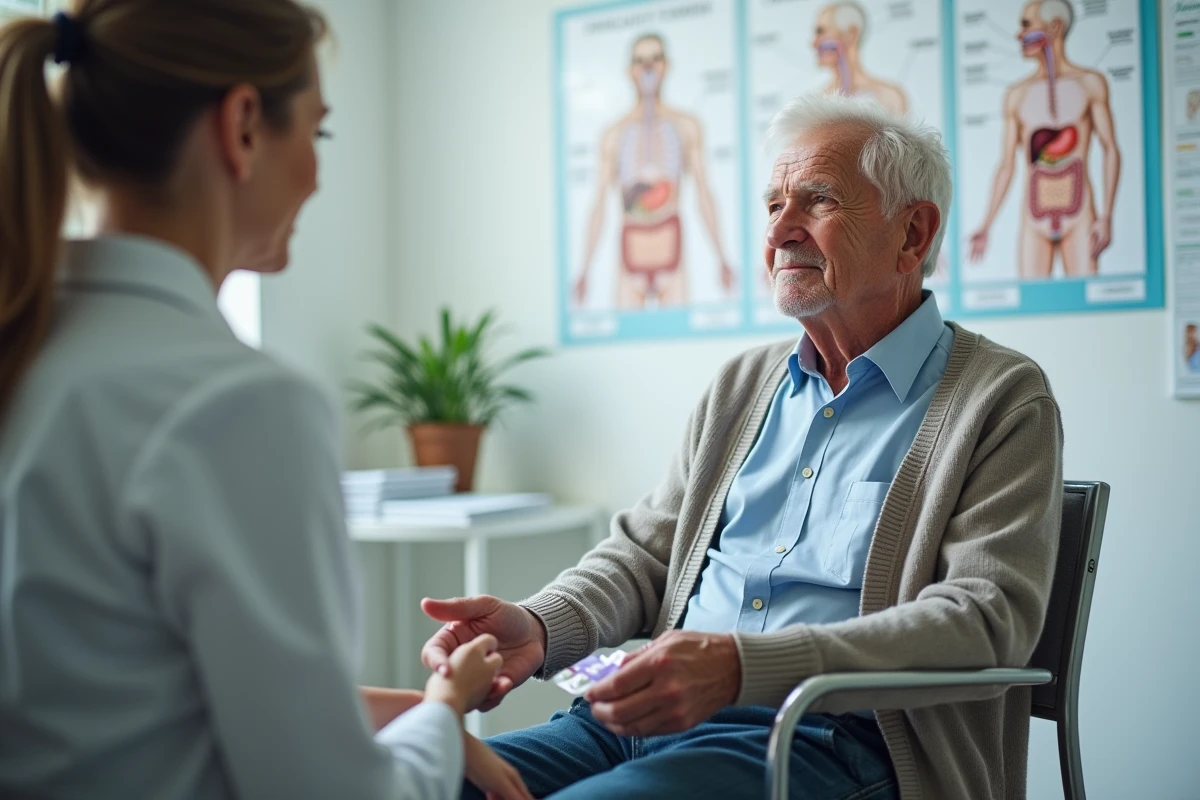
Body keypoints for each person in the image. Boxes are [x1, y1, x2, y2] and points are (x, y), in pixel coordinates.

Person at [425, 94, 1064, 800]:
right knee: (415, 781)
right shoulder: (743, 385)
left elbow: (986, 618)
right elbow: (645, 556)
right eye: (771, 206)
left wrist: (742, 667)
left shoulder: (999, 398)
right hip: (641, 718)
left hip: (831, 740)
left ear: (913, 234)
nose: (781, 231)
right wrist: (542, 625)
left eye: (817, 201)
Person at [0, 4, 529, 800]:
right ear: (243, 125)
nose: (318, 175)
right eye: (318, 134)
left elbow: (127, 694)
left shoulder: (31, 350)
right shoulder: (237, 403)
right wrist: (443, 712)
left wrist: (415, 715)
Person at [572, 32, 736, 310]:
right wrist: (585, 269)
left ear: (666, 66)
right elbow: (598, 202)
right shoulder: (613, 134)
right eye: (640, 61)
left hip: (671, 250)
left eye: (655, 59)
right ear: (630, 70)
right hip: (629, 255)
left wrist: (721, 256)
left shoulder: (686, 126)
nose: (648, 67)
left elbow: (703, 191)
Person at [968, 0, 1120, 278]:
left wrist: (1107, 217)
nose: (1018, 35)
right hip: (1033, 219)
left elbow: (1110, 149)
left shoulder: (1090, 83)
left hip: (1081, 215)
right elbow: (1006, 165)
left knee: (1086, 303)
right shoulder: (1017, 95)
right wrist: (986, 224)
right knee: (1031, 300)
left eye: (1026, 25)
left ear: (1054, 27)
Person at [813, 2, 908, 116]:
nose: (814, 43)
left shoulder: (889, 97)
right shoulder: (817, 102)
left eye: (821, 32)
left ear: (852, 34)